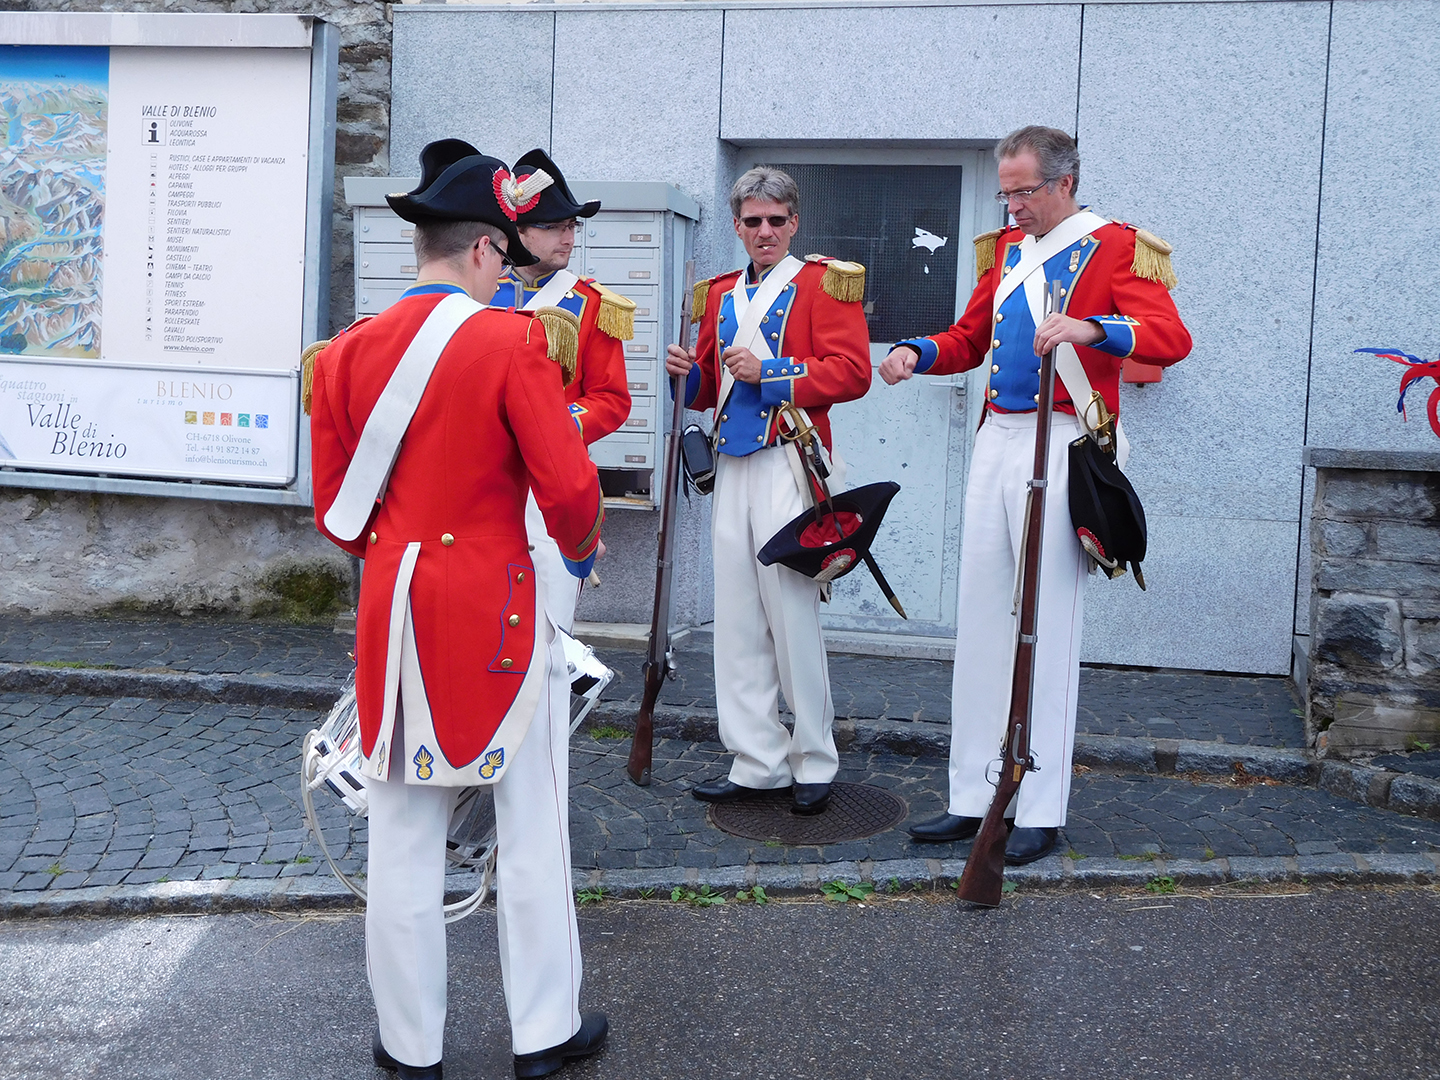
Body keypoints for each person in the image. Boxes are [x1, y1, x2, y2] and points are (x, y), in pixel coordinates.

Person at [309, 139, 608, 1080]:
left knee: (402, 835)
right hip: (498, 608)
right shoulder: (514, 340)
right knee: (530, 825)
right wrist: (581, 548)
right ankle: (543, 1035)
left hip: (395, 611)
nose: (506, 273)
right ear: (483, 248)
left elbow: (336, 514)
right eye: (504, 256)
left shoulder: (344, 353)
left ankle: (411, 1048)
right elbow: (570, 490)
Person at [878, 126, 1192, 864]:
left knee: (1045, 626)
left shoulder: (1117, 246)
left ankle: (1041, 805)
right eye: (1006, 192)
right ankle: (973, 794)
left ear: (1065, 182)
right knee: (983, 619)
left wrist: (1092, 328)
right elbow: (967, 340)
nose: (1013, 205)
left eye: (1025, 191)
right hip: (998, 439)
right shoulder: (1007, 252)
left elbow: (1170, 337)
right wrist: (915, 352)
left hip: (1064, 439)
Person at [664, 166, 871, 815]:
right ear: (737, 225)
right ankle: (756, 760)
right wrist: (684, 375)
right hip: (732, 465)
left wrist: (773, 372)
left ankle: (814, 759)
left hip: (788, 461)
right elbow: (709, 388)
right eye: (753, 221)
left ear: (794, 223)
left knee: (791, 616)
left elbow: (853, 372)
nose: (765, 232)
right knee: (738, 620)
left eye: (776, 221)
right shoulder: (718, 294)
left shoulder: (823, 283)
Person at [493, 148, 634, 632]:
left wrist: (550, 427)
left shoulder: (593, 304)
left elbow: (611, 400)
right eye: (555, 226)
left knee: (550, 629)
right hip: (485, 477)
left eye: (572, 226)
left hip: (550, 477)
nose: (569, 237)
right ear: (519, 232)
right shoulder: (477, 295)